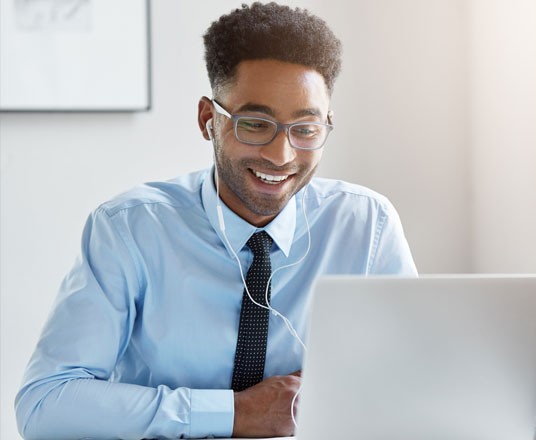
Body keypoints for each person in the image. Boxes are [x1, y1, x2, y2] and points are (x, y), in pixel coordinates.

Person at [14, 3, 417, 439]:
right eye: (256, 125)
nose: (281, 156)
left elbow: (417, 379)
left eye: (304, 129)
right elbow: (45, 406)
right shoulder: (130, 229)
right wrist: (234, 413)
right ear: (209, 120)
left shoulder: (366, 225)